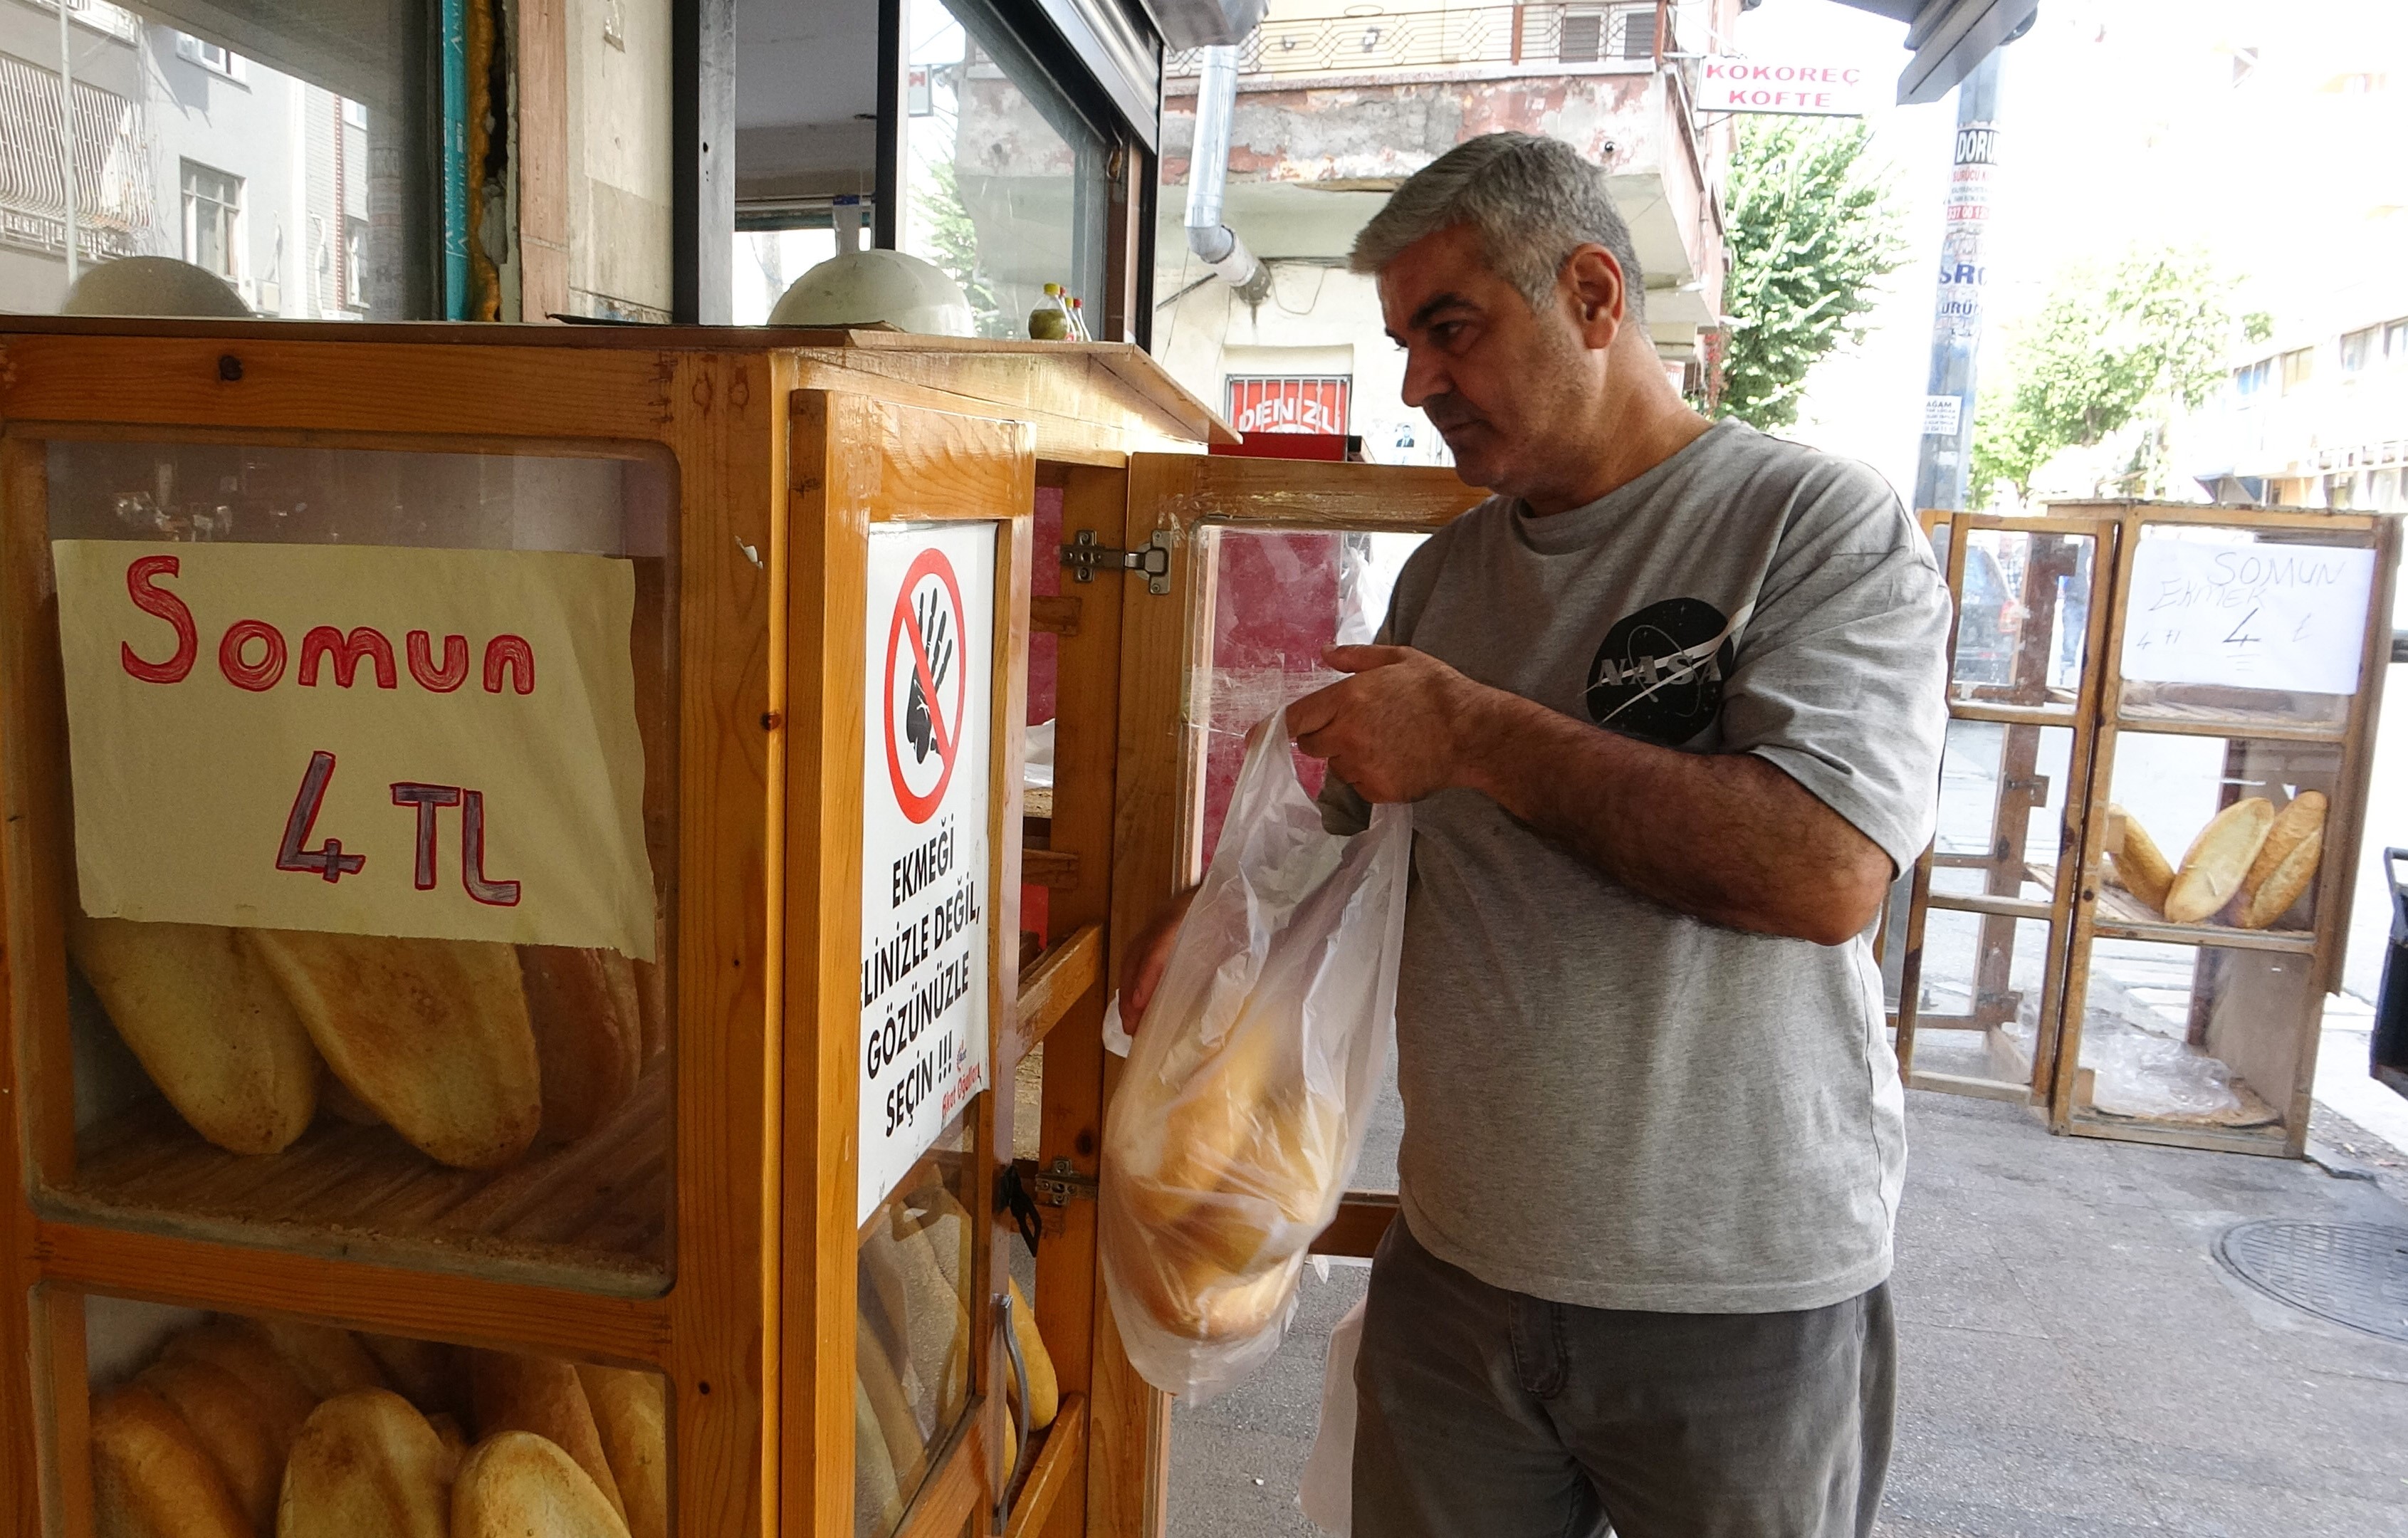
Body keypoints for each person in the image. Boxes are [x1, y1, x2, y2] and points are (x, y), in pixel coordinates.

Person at [1121, 132, 1951, 1537]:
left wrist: (1478, 738)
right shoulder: (1444, 580)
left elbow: (1821, 871)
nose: (1415, 382)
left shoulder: (1805, 522)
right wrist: (1197, 944)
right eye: (1400, 342)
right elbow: (1326, 841)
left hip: (1738, 1298)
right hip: (1458, 1279)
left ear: (1590, 295)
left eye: (1450, 328)